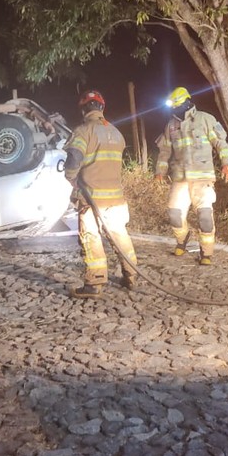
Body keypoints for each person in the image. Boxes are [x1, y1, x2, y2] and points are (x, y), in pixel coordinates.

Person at [64, 90, 138, 299]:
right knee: (119, 235)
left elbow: (73, 160)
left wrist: (71, 177)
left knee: (91, 238)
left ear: (84, 108)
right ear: (101, 108)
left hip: (92, 198)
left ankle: (94, 284)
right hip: (116, 198)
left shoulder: (83, 131)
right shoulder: (116, 132)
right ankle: (131, 275)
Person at [155, 87, 228, 266]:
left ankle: (206, 253)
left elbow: (220, 143)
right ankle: (182, 239)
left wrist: (226, 163)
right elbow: (165, 151)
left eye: (178, 105)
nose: (175, 109)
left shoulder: (205, 119)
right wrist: (160, 172)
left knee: (205, 217)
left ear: (187, 102)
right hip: (180, 177)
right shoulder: (171, 125)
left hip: (203, 178)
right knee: (174, 214)